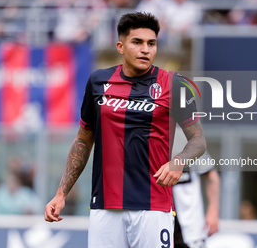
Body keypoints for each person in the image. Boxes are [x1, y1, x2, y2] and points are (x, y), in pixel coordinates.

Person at [44, 12, 207, 248]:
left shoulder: (174, 84)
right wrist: (61, 193)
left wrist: (179, 160)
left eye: (151, 43)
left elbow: (199, 141)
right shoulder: (98, 82)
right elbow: (84, 139)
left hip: (153, 206)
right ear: (120, 46)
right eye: (137, 42)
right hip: (105, 207)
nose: (146, 49)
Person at [173, 128, 220, 248]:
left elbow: (211, 176)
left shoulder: (187, 138)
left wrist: (213, 212)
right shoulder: (144, 136)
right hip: (158, 224)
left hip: (190, 228)